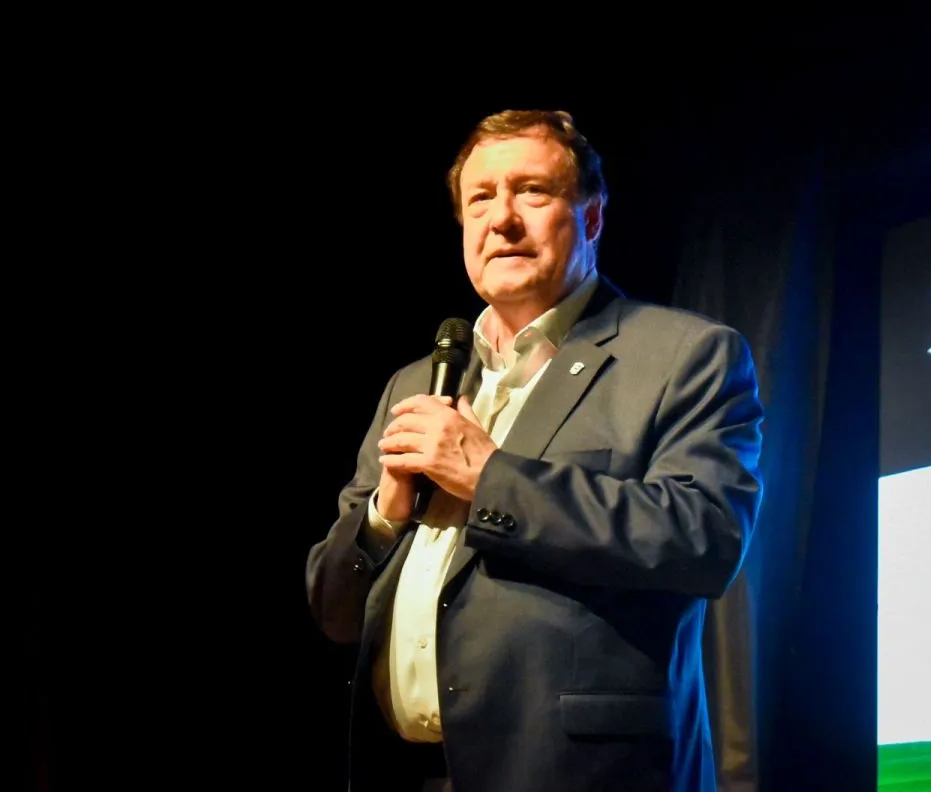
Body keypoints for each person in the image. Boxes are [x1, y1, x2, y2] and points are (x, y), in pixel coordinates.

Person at [306, 109, 764, 792]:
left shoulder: (684, 356)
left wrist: (490, 476)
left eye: (533, 192)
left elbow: (706, 539)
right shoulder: (416, 382)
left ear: (592, 218)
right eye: (480, 199)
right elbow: (334, 612)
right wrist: (383, 517)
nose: (502, 219)